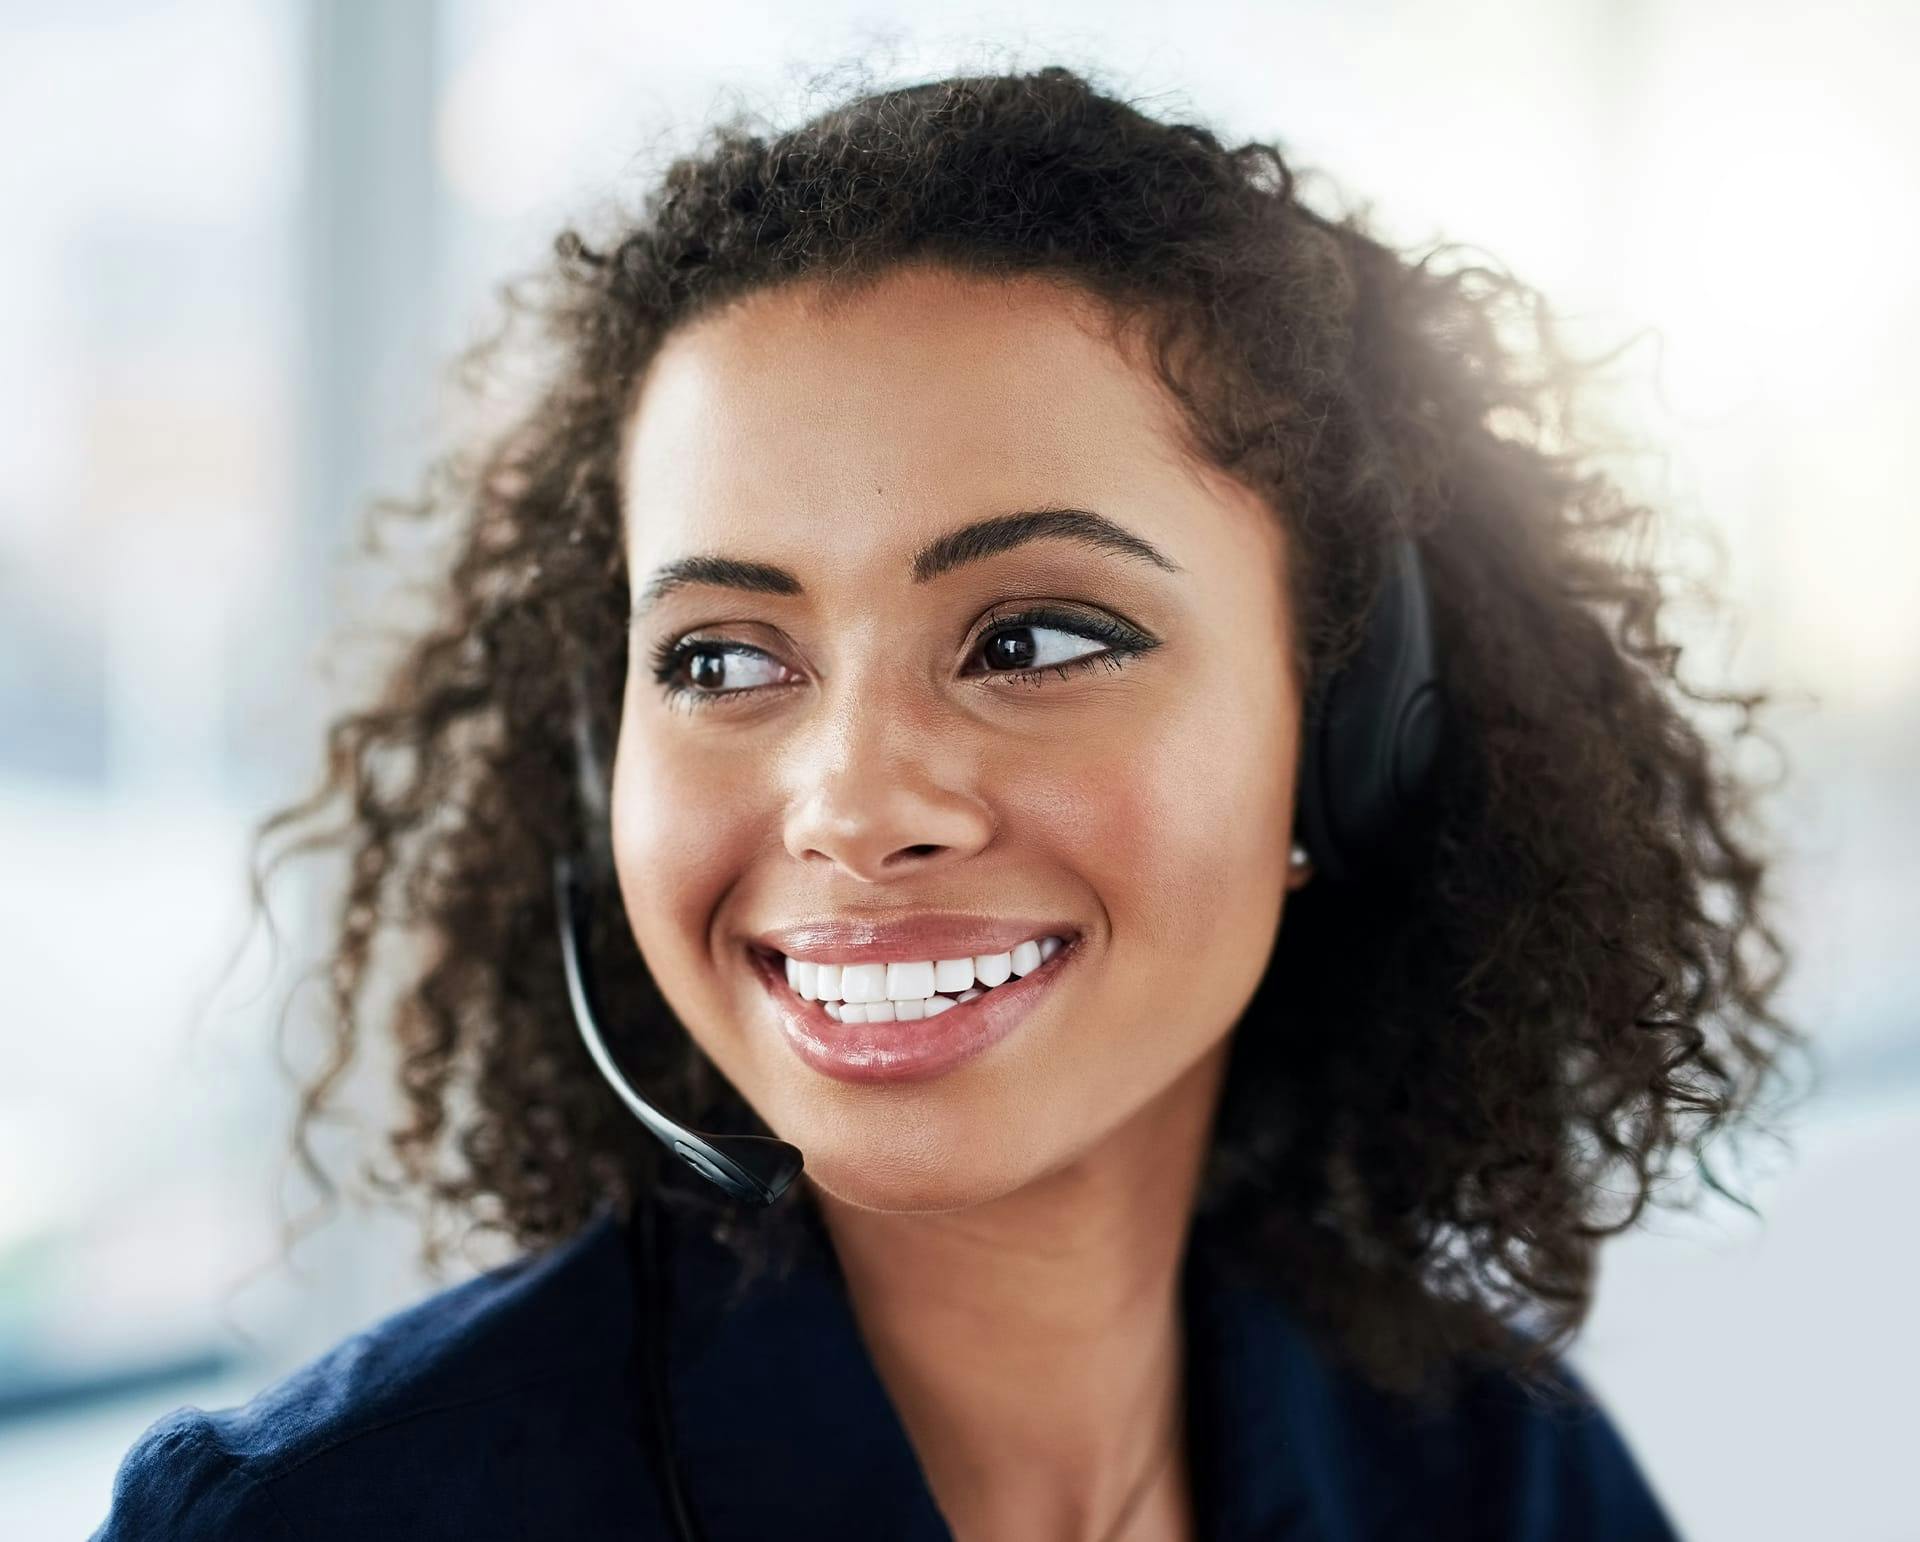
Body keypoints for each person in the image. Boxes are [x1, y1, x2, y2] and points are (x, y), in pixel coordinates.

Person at [94, 62, 1799, 1541]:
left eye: (1036, 636)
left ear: (1348, 733)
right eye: (715, 659)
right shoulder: (328, 1525)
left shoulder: (1493, 1480)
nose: (848, 804)